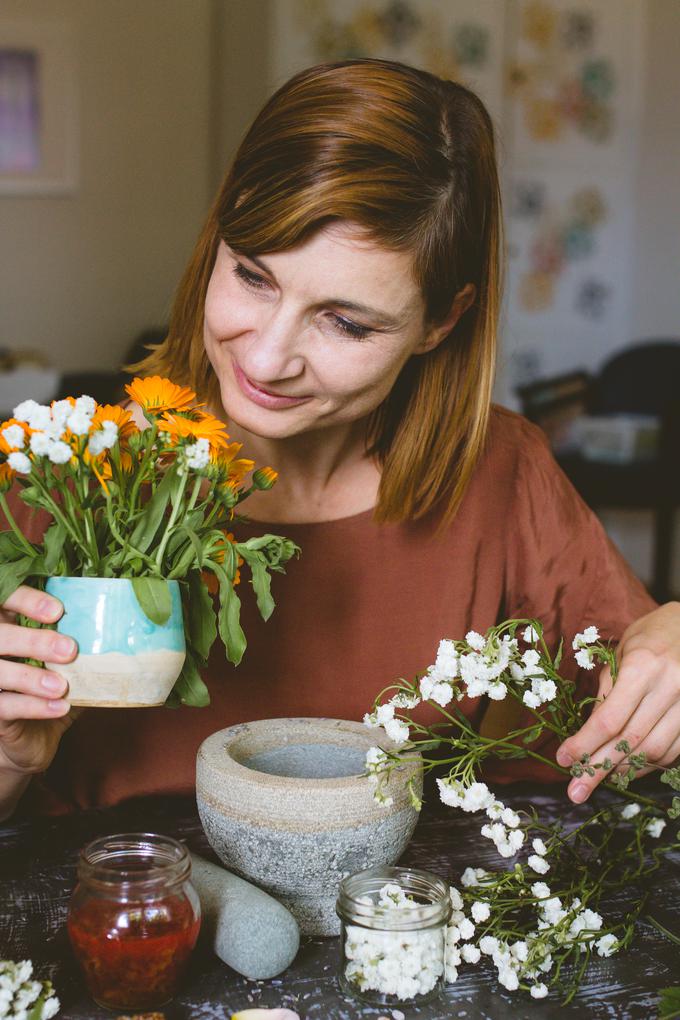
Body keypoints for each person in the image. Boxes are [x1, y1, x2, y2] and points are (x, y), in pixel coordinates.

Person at [1, 59, 678, 821]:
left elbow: (638, 703)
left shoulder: (500, 473)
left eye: (346, 323)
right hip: (120, 912)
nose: (263, 359)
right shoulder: (70, 478)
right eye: (253, 277)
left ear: (441, 322)